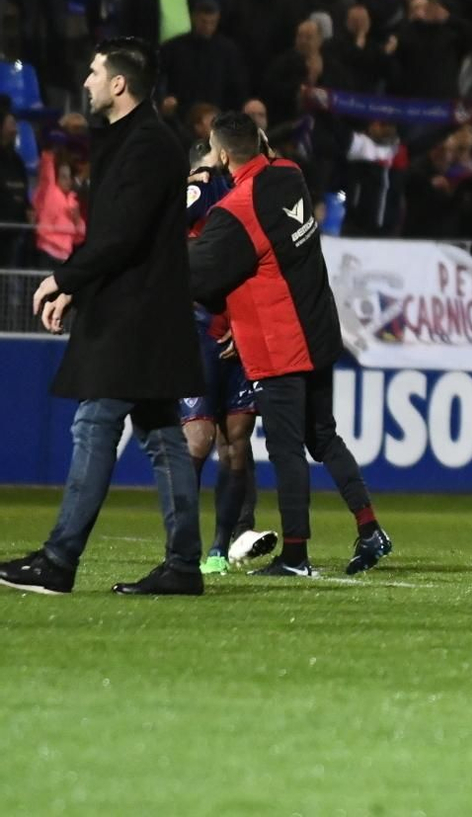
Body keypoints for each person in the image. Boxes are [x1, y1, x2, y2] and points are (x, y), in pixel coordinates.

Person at [0, 38, 206, 597]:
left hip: (134, 316)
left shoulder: (145, 144)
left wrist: (63, 279)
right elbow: (115, 235)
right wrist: (78, 287)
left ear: (119, 84)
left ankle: (60, 559)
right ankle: (184, 566)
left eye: (94, 72)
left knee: (95, 423)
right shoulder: (137, 140)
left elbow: (119, 236)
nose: (87, 81)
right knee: (164, 437)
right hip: (142, 312)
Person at [187, 112, 393, 578]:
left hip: (279, 342)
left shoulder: (234, 212)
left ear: (220, 154)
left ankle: (296, 556)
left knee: (285, 450)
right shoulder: (289, 174)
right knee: (322, 436)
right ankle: (369, 528)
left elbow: (196, 275)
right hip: (318, 330)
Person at [180, 138, 271, 576]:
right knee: (197, 441)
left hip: (240, 330)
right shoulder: (203, 190)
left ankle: (218, 548)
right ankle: (181, 545)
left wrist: (246, 320)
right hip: (198, 329)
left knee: (236, 444)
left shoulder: (250, 198)